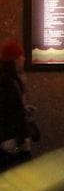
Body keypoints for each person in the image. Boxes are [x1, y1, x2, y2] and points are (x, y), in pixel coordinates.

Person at [0, 42, 32, 172]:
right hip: (11, 141)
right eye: (21, 56)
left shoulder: (11, 80)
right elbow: (4, 110)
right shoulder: (6, 82)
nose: (24, 59)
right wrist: (6, 137)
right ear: (15, 60)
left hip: (15, 139)